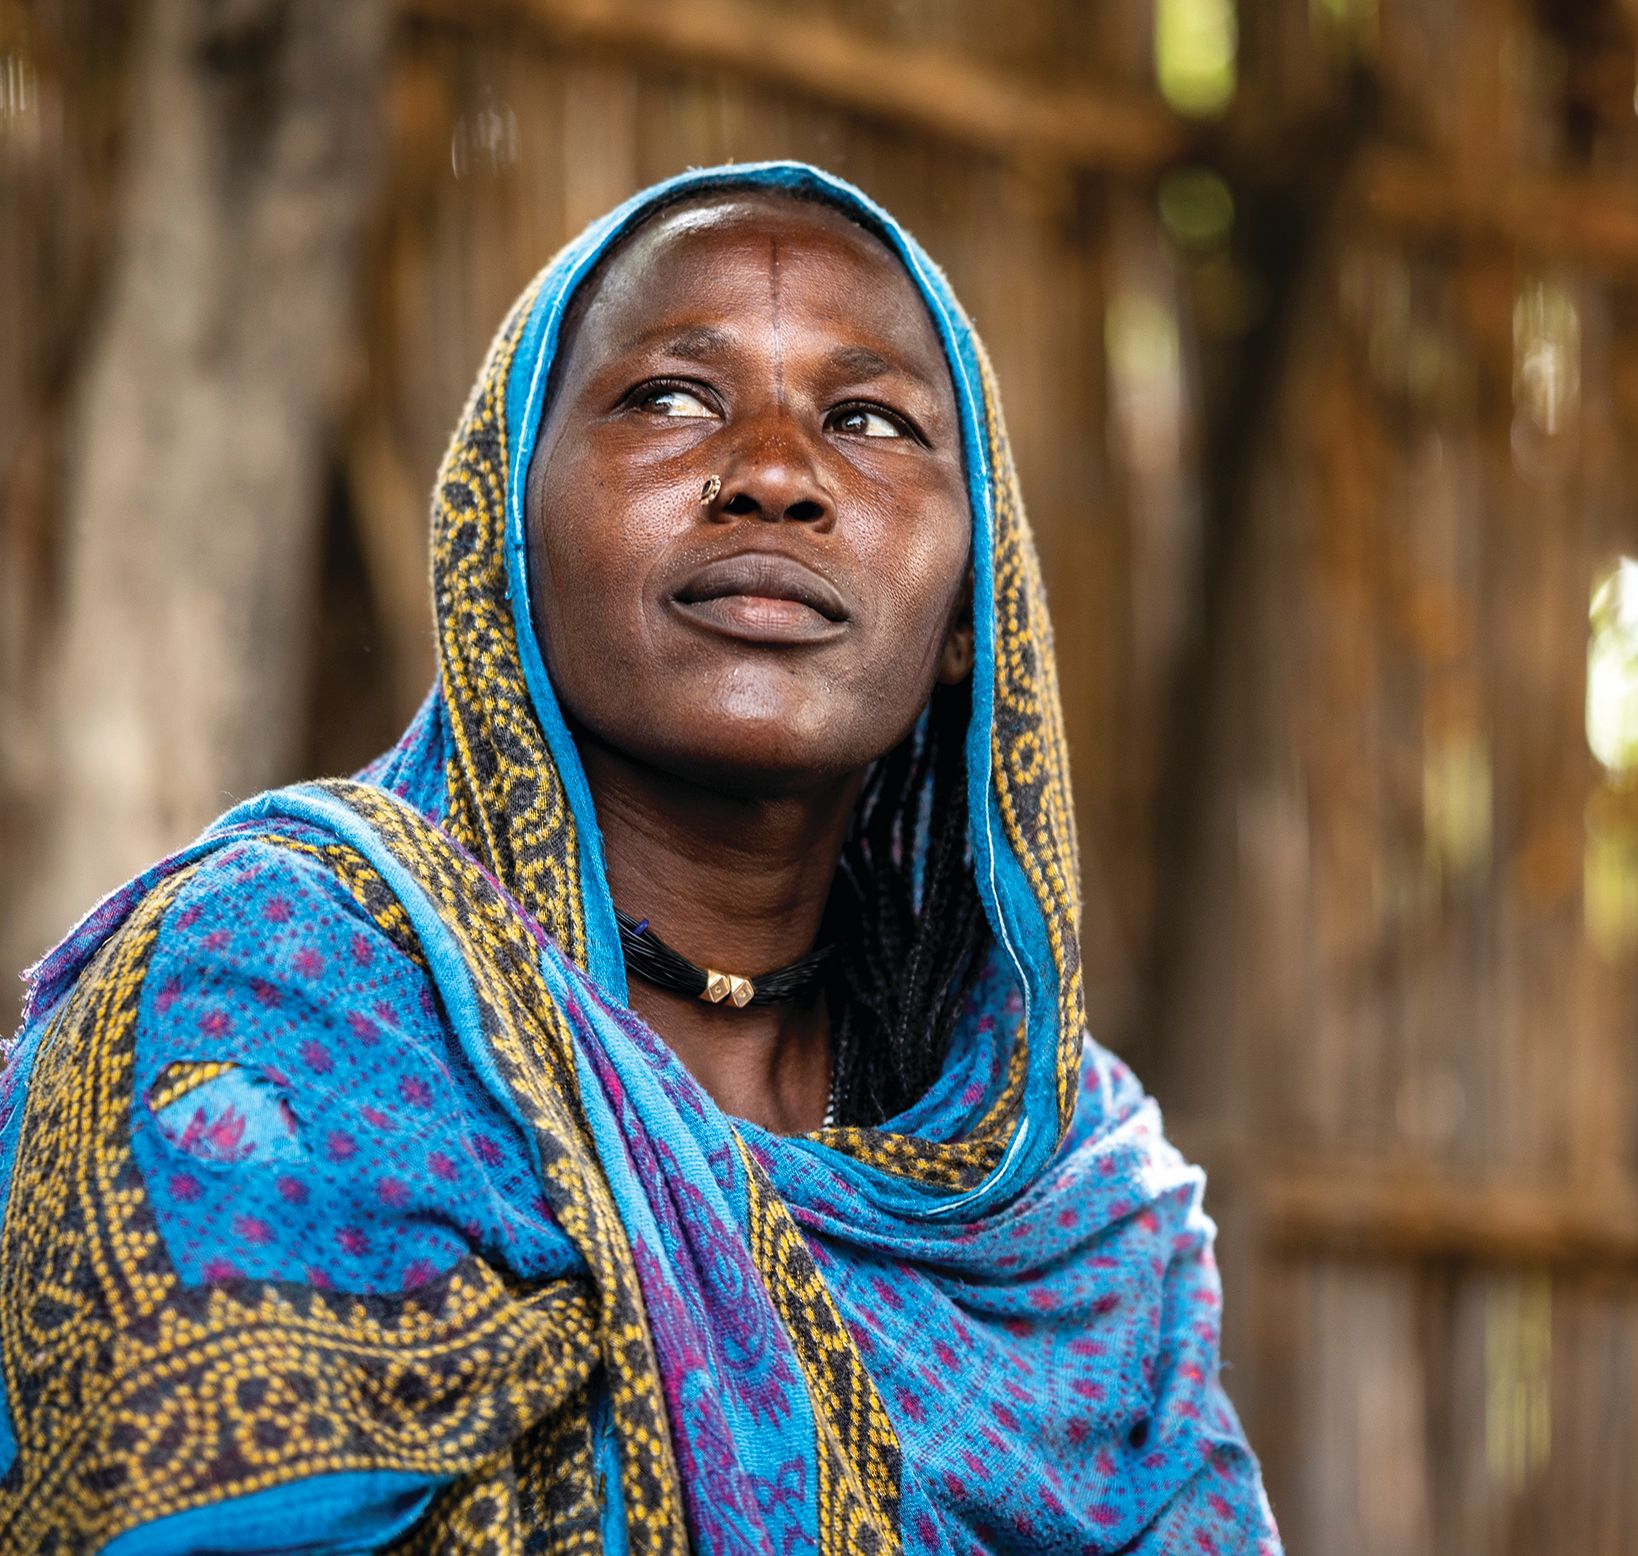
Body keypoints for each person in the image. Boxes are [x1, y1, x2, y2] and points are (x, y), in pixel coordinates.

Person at [0, 162, 1279, 1554]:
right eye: (672, 397)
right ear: (508, 533)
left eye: (869, 420)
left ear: (973, 611)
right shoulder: (277, 1000)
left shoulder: (1071, 1212)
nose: (777, 476)